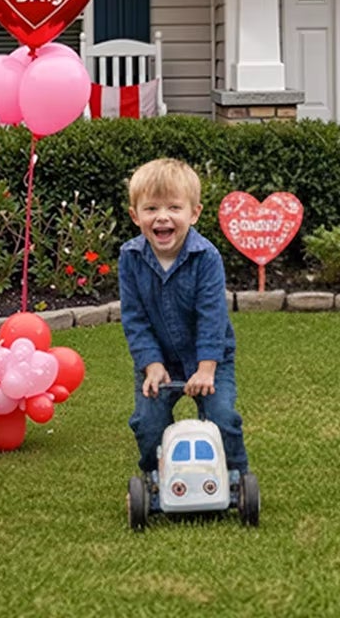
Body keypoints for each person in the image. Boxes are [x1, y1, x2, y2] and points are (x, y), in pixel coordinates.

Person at [118, 157, 249, 479]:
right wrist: (152, 364)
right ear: (136, 216)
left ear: (194, 213)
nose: (162, 217)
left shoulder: (206, 258)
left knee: (222, 417)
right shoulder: (130, 258)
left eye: (174, 208)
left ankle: (234, 478)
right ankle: (155, 477)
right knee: (147, 423)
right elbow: (134, 319)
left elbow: (211, 317)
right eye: (151, 209)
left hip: (208, 359)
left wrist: (206, 369)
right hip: (158, 359)